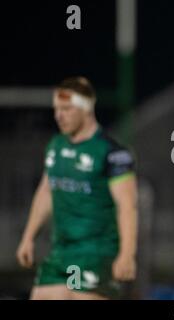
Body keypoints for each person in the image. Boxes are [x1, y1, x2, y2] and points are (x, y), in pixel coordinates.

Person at [16, 77, 138, 299]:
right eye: (56, 109)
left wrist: (127, 254)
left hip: (96, 253)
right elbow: (46, 191)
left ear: (87, 109)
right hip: (61, 252)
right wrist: (28, 237)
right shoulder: (56, 146)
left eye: (66, 109)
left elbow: (127, 206)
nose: (58, 115)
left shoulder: (111, 152)